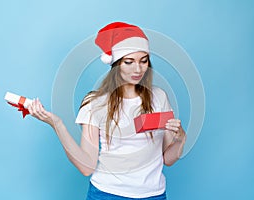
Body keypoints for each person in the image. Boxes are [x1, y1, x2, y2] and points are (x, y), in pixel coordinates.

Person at [28, 22, 186, 200]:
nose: (138, 69)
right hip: (107, 194)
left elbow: (168, 159)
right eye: (129, 62)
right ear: (116, 63)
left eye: (144, 61)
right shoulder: (96, 102)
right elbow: (86, 166)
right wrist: (57, 125)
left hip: (153, 195)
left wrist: (181, 140)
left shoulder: (159, 97)